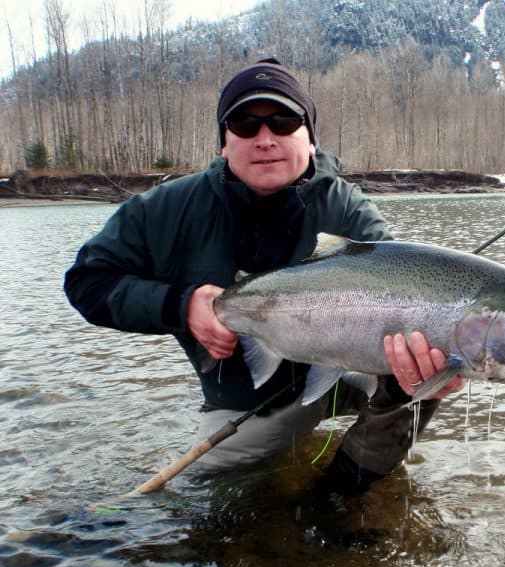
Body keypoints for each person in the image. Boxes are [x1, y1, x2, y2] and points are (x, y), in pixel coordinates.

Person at [64, 58, 463, 495]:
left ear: (310, 139)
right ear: (224, 143)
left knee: (426, 378)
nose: (265, 139)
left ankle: (343, 493)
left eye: (284, 121)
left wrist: (436, 360)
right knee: (215, 491)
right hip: (253, 402)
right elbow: (87, 282)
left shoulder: (345, 207)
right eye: (245, 124)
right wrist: (183, 305)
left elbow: (405, 284)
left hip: (346, 375)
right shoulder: (165, 211)